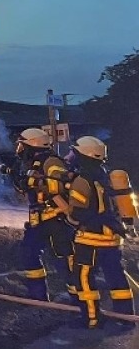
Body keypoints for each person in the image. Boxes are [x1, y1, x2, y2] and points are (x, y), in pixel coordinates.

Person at [64, 135, 136, 330]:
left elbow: (76, 213)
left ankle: (92, 318)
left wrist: (69, 219)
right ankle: (126, 318)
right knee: (116, 276)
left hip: (91, 238)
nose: (71, 157)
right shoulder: (105, 175)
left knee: (84, 277)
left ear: (85, 156)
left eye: (75, 153)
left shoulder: (82, 181)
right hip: (112, 237)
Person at [14, 128, 76, 301]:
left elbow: (58, 185)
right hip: (39, 222)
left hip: (57, 220)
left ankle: (79, 300)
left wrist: (34, 182)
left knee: (63, 259)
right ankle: (38, 296)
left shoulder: (51, 162)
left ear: (32, 145)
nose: (20, 149)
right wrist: (19, 179)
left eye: (22, 145)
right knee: (28, 253)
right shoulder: (34, 163)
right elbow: (28, 189)